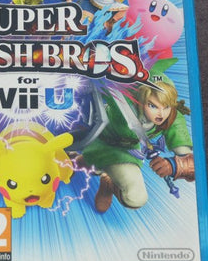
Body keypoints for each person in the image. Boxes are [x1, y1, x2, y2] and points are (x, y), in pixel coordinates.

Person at [81, 59, 195, 212]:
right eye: (153, 105)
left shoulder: (171, 117)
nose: (161, 114)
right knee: (76, 160)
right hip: (96, 139)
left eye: (166, 106)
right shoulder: (122, 102)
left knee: (136, 198)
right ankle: (88, 162)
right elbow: (100, 81)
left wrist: (174, 166)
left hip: (124, 154)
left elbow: (191, 161)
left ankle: (109, 182)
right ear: (141, 101)